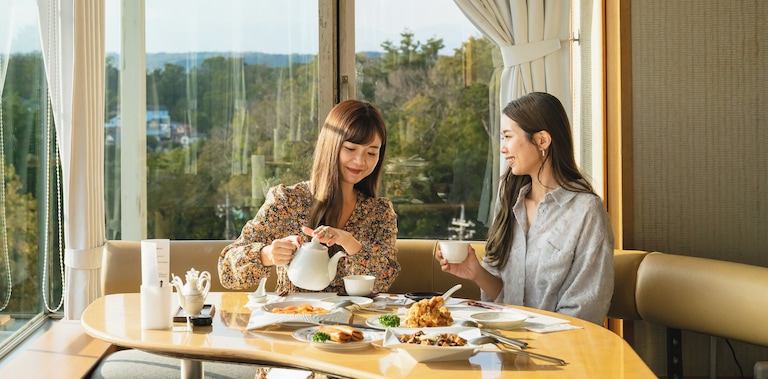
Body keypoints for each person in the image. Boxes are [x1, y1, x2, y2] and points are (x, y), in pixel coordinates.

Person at [439, 91, 614, 325]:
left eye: (508, 137)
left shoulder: (586, 211)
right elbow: (506, 299)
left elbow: (585, 307)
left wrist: (530, 343)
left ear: (542, 140)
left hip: (560, 353)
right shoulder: (511, 202)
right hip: (507, 346)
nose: (503, 148)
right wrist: (476, 273)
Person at [218, 99, 400, 295]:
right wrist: (268, 254)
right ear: (331, 145)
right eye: (350, 149)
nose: (360, 161)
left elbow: (383, 282)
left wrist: (349, 242)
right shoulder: (287, 202)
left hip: (355, 324)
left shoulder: (379, 213)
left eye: (371, 153)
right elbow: (227, 271)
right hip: (295, 319)